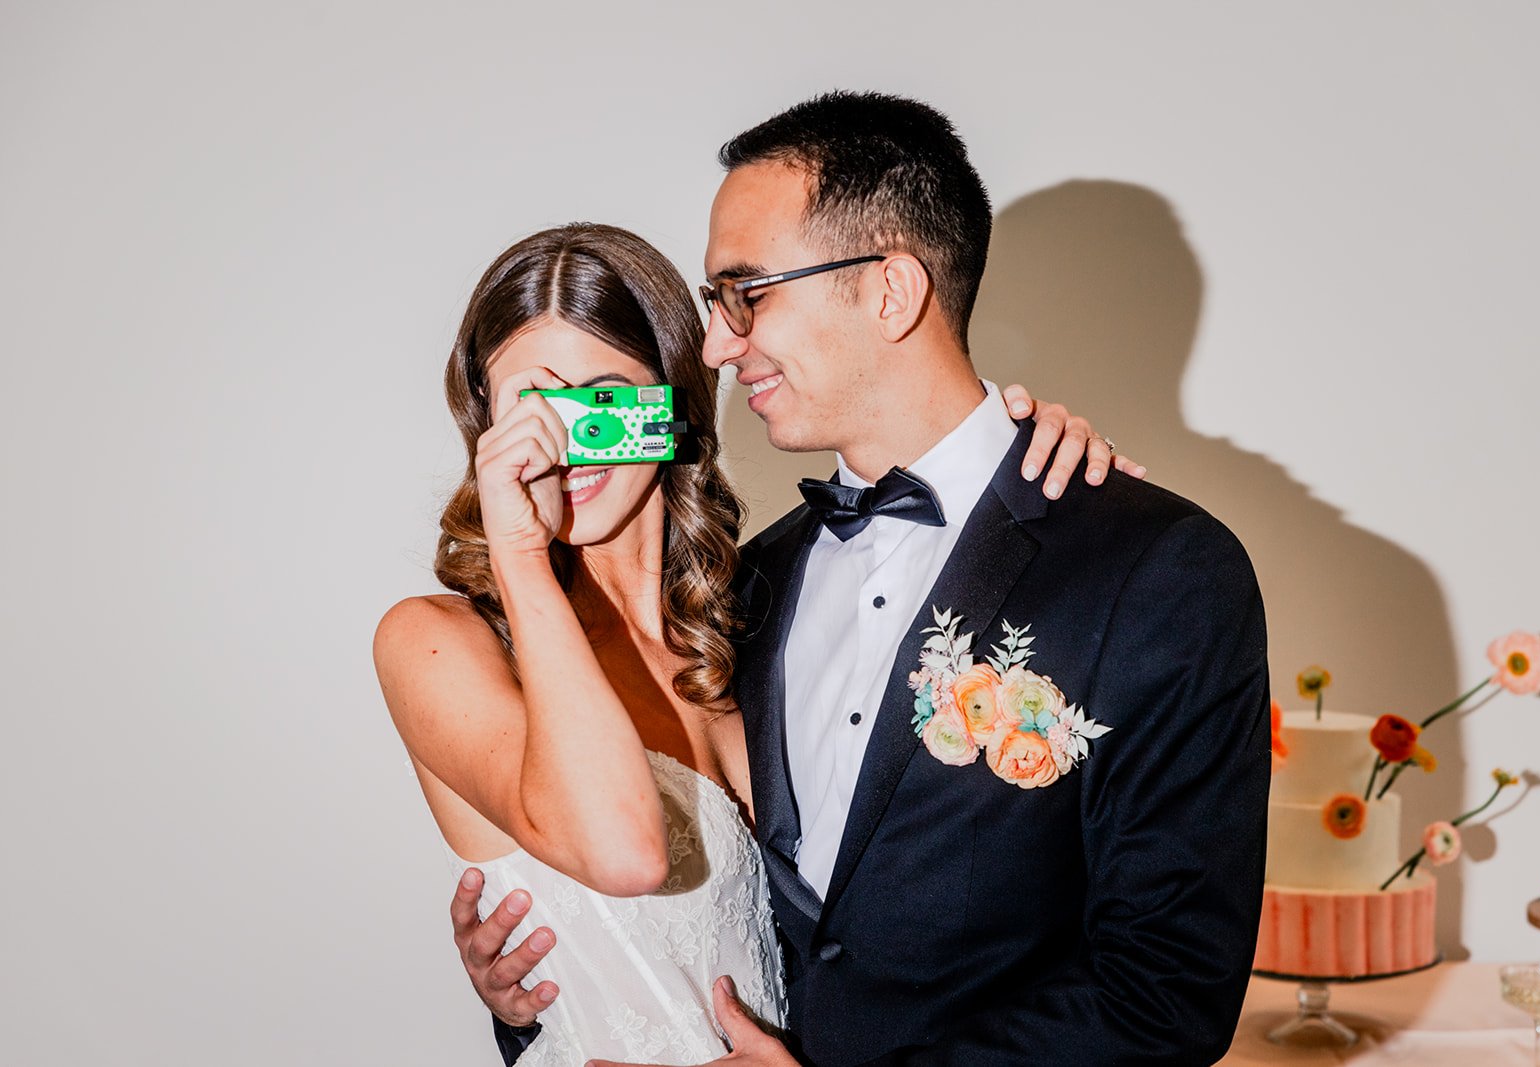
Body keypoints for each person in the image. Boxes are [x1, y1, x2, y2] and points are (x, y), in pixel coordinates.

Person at [460, 92, 1270, 1067]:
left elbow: (1163, 994)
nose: (717, 345)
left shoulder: (1153, 568)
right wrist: (540, 991)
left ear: (891, 290)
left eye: (746, 294)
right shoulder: (738, 594)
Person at [375, 222, 1135, 1065]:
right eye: (527, 402)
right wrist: (519, 554)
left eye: (598, 396)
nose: (558, 438)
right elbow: (623, 853)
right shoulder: (439, 641)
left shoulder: (755, 614)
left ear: (667, 406)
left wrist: (1024, 462)